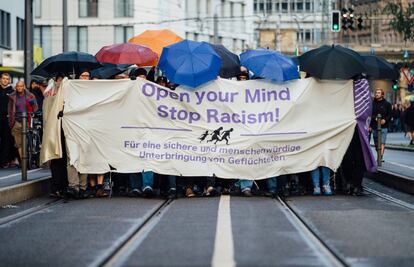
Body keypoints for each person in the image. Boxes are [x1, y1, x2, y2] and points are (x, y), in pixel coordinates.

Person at [66, 69, 90, 199]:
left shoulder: (93, 91)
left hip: (86, 129)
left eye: (88, 76)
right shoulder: (71, 89)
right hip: (71, 128)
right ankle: (73, 186)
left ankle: (82, 187)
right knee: (72, 157)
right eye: (83, 76)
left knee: (84, 158)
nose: (85, 78)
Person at [7, 81, 39, 162]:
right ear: (16, 87)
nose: (19, 88)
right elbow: (10, 110)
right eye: (18, 86)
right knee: (19, 144)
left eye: (21, 86)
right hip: (16, 122)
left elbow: (35, 108)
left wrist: (33, 106)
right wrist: (11, 121)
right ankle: (23, 162)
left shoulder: (30, 96)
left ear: (24, 86)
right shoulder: (12, 97)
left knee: (26, 142)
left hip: (27, 121)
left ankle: (29, 157)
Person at [369, 88, 392, 161]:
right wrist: (375, 118)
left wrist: (385, 120)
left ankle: (380, 157)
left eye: (378, 93)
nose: (377, 94)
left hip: (384, 126)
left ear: (382, 94)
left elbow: (390, 115)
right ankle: (379, 154)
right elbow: (369, 114)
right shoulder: (372, 104)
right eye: (376, 92)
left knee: (382, 142)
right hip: (374, 126)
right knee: (376, 143)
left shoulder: (387, 104)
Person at [0, 73, 14, 168]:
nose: (5, 80)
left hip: (7, 119)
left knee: (6, 140)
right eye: (3, 78)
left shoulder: (12, 91)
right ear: (0, 79)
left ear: (9, 80)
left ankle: (3, 161)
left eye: (7, 79)